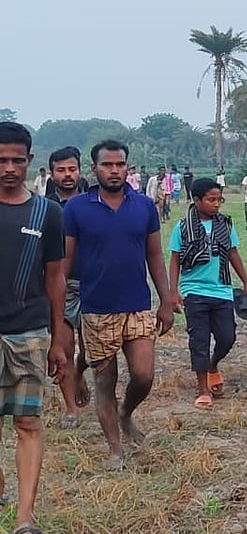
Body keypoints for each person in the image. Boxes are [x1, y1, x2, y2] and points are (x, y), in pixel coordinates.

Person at [63, 139, 174, 469]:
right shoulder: (77, 208)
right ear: (93, 168)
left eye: (120, 164)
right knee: (105, 381)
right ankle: (115, 449)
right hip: (96, 309)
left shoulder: (143, 207)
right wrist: (55, 306)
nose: (114, 170)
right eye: (107, 165)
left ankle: (127, 414)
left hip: (137, 306)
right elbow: (65, 262)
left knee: (144, 375)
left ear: (128, 167)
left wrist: (166, 300)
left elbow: (154, 255)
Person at [0, 123, 71, 533]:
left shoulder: (48, 213)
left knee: (28, 422)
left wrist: (58, 336)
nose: (9, 168)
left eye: (16, 160)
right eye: (1, 160)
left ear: (29, 161)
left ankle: (25, 518)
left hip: (29, 333)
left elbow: (54, 277)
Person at [168, 178, 247, 409]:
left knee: (227, 337)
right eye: (211, 199)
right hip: (193, 290)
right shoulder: (182, 226)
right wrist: (173, 291)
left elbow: (233, 253)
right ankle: (203, 389)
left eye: (219, 199)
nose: (216, 204)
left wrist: (246, 282)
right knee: (200, 341)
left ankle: (213, 365)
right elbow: (175, 259)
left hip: (222, 289)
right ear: (197, 201)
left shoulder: (225, 224)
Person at [46, 147, 91, 428]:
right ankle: (71, 409)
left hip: (91, 284)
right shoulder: (43, 208)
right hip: (56, 286)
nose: (67, 175)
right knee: (63, 348)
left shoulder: (93, 203)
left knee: (91, 351)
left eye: (71, 169)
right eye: (61, 170)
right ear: (52, 173)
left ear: (80, 170)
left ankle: (79, 373)